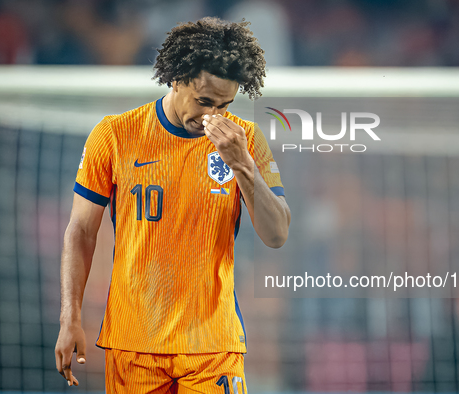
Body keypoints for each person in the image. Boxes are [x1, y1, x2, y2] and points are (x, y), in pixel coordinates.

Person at [54, 17, 291, 393]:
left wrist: (242, 164)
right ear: (176, 78)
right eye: (204, 102)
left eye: (225, 104)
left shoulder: (244, 140)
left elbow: (277, 234)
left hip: (212, 345)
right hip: (134, 344)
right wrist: (71, 317)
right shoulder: (116, 134)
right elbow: (81, 230)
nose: (213, 116)